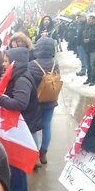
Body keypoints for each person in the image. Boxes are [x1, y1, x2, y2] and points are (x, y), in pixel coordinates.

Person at [0, 47, 42, 191]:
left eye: (6, 61)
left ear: (15, 62)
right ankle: (15, 189)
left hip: (22, 124)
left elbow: (20, 103)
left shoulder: (22, 79)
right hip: (18, 122)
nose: (3, 64)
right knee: (12, 159)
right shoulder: (17, 75)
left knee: (16, 159)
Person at [28, 37, 59, 165]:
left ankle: (35, 157)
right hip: (51, 99)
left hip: (36, 101)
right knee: (47, 126)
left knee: (33, 127)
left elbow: (29, 84)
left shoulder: (32, 64)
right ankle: (43, 153)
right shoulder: (55, 63)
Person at [82, 13, 95, 86]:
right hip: (87, 48)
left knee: (93, 64)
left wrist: (90, 40)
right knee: (88, 65)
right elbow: (84, 35)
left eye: (89, 19)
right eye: (88, 19)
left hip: (94, 48)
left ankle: (94, 79)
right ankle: (89, 78)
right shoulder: (87, 27)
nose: (88, 21)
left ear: (93, 20)